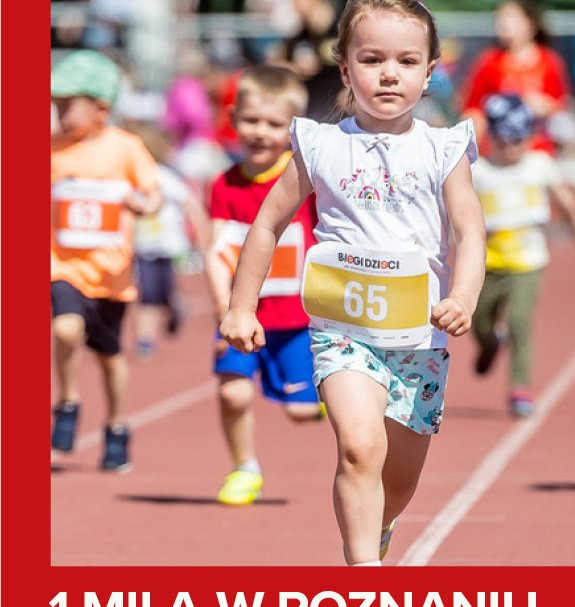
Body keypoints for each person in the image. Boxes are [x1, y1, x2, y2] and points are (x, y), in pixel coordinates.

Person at [218, 0, 485, 566]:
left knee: (400, 480)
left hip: (419, 339)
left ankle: (381, 523)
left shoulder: (444, 149)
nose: (390, 73)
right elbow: (267, 223)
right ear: (345, 69)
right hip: (344, 332)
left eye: (407, 61)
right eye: (372, 59)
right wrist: (244, 308)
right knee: (360, 446)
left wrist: (462, 296)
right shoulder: (319, 145)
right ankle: (364, 576)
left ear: (429, 72)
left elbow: (470, 230)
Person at [204, 65, 323, 506]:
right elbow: (217, 250)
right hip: (240, 314)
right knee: (233, 393)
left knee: (301, 411)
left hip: (294, 319)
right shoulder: (224, 185)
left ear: (293, 129)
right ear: (233, 119)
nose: (260, 132)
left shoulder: (304, 177)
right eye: (251, 121)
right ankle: (244, 467)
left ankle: (319, 403)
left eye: (274, 124)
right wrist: (224, 307)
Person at [50, 50, 164, 472]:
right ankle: (68, 401)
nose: (58, 113)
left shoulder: (125, 148)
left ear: (101, 107)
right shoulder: (51, 149)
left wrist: (142, 204)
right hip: (61, 265)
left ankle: (117, 427)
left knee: (110, 357)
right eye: (55, 105)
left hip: (112, 276)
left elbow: (153, 193)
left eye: (66, 105)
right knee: (65, 328)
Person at [471, 93, 575, 417]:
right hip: (487, 264)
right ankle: (490, 344)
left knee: (519, 320)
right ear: (492, 137)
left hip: (527, 263)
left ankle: (520, 388)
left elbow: (565, 199)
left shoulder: (538, 166)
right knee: (479, 323)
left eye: (519, 140)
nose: (513, 148)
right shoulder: (479, 173)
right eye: (505, 141)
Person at [129, 123, 209, 360]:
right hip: (142, 248)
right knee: (147, 294)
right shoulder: (132, 180)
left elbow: (191, 205)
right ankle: (145, 340)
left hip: (170, 247)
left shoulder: (165, 178)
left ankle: (175, 304)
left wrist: (203, 236)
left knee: (165, 289)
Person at [459, 0, 571, 156]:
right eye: (500, 18)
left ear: (531, 23)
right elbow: (472, 109)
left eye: (511, 17)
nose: (504, 24)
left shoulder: (549, 61)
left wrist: (543, 106)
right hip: (499, 151)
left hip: (538, 150)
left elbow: (561, 108)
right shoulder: (489, 62)